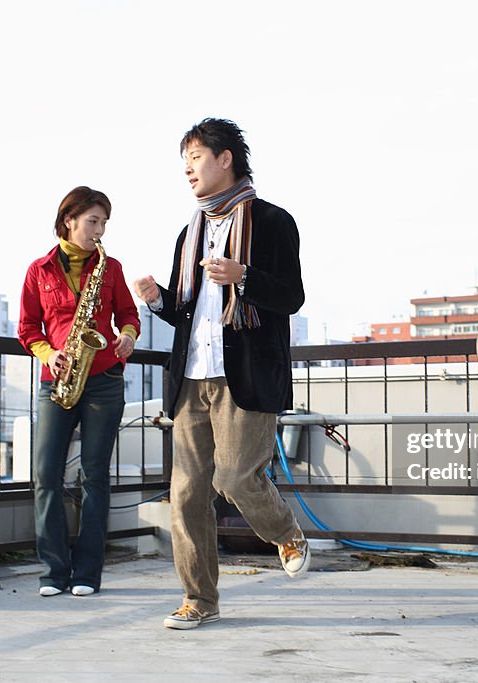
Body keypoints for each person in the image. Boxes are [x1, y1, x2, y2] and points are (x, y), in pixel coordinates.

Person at [133, 118, 309, 630]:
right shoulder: (188, 233)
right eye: (183, 161)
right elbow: (187, 313)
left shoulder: (274, 222)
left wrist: (245, 277)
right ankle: (199, 600)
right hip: (192, 377)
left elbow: (291, 297)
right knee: (186, 494)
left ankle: (286, 532)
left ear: (225, 158)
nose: (187, 170)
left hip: (246, 375)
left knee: (235, 478)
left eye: (195, 158)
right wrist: (159, 300)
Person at [18, 186, 140, 597]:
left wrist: (126, 336)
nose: (100, 230)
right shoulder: (39, 269)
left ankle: (87, 573)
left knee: (95, 477)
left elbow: (127, 314)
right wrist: (49, 354)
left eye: (104, 222)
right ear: (69, 219)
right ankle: (53, 572)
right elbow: (27, 328)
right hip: (57, 381)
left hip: (104, 381)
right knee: (45, 475)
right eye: (93, 221)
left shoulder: (111, 267)